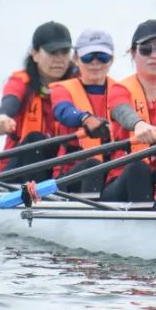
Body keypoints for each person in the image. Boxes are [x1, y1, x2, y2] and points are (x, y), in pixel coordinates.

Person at [0, 21, 77, 181]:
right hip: (17, 171)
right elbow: (11, 99)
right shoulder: (21, 81)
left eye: (64, 52)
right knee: (35, 140)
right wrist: (3, 116)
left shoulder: (79, 82)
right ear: (35, 54)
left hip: (62, 170)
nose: (59, 60)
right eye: (53, 52)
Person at [102, 19, 156, 202]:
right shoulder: (119, 89)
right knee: (138, 168)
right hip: (122, 181)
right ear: (133, 52)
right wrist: (138, 124)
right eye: (146, 49)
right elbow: (121, 110)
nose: (154, 56)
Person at [48, 29, 121, 193]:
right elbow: (63, 111)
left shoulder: (121, 91)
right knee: (92, 165)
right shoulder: (62, 89)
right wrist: (85, 118)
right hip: (69, 178)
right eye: (88, 57)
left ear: (112, 59)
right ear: (76, 59)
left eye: (102, 57)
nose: (95, 63)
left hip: (110, 175)